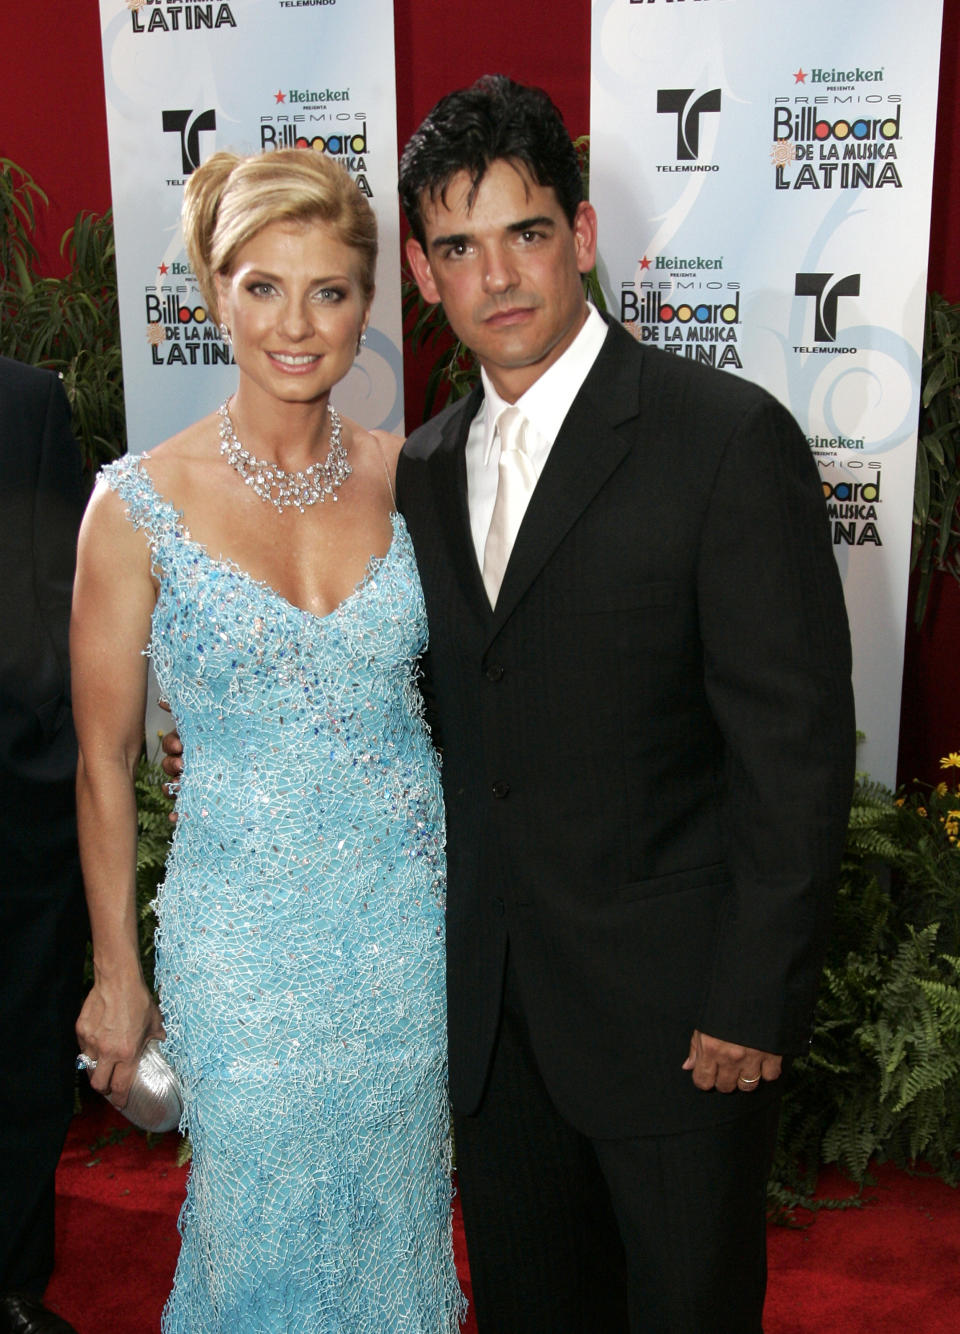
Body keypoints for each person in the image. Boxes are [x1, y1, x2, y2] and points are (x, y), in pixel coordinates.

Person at [395, 76, 855, 1331]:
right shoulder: (425, 469)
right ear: (424, 274)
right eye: (459, 246)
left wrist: (752, 997)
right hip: (495, 1032)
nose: (497, 276)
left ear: (583, 237)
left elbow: (795, 749)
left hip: (677, 1030)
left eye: (526, 232)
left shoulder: (723, 438)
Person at [72, 149, 463, 1333]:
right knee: (258, 1240)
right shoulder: (135, 505)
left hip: (409, 929)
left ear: (367, 306)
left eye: (331, 291)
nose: (298, 324)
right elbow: (100, 761)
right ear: (213, 292)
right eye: (262, 287)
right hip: (239, 948)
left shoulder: (417, 480)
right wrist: (116, 971)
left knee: (397, 1231)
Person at [0, 356, 86, 1334]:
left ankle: (13, 1281)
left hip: (11, 814)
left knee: (20, 1058)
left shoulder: (24, 402)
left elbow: (68, 606)